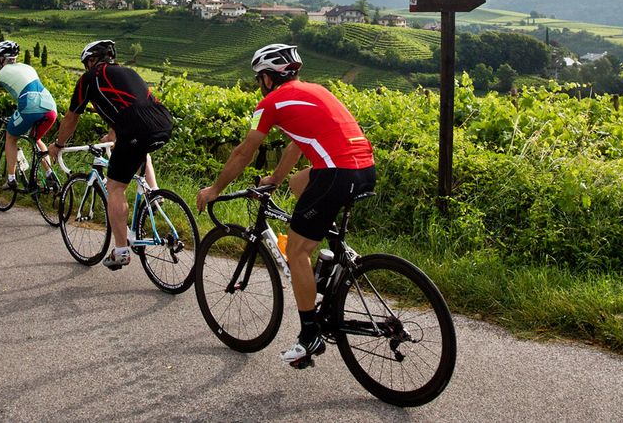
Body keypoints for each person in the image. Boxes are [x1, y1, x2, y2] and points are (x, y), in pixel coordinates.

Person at [195, 43, 376, 368]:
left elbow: (243, 152)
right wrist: (276, 179)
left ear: (267, 78)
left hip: (336, 173)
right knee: (297, 184)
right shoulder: (315, 90)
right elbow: (298, 142)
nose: (258, 83)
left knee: (296, 251)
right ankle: (330, 259)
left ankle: (309, 337)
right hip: (364, 167)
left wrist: (214, 189)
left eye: (258, 77)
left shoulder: (269, 103)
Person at [47, 39, 173, 270]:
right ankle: (154, 196)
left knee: (116, 188)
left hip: (135, 128)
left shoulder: (89, 78)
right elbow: (129, 104)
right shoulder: (128, 72)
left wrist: (58, 144)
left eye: (86, 63)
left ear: (92, 61)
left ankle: (121, 250)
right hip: (163, 122)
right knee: (140, 152)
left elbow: (72, 117)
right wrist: (113, 135)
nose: (86, 67)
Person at [0, 40, 60, 193]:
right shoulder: (28, 67)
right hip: (50, 107)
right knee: (35, 138)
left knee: (11, 137)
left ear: (1, 58)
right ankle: (49, 173)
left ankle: (11, 179)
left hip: (29, 106)